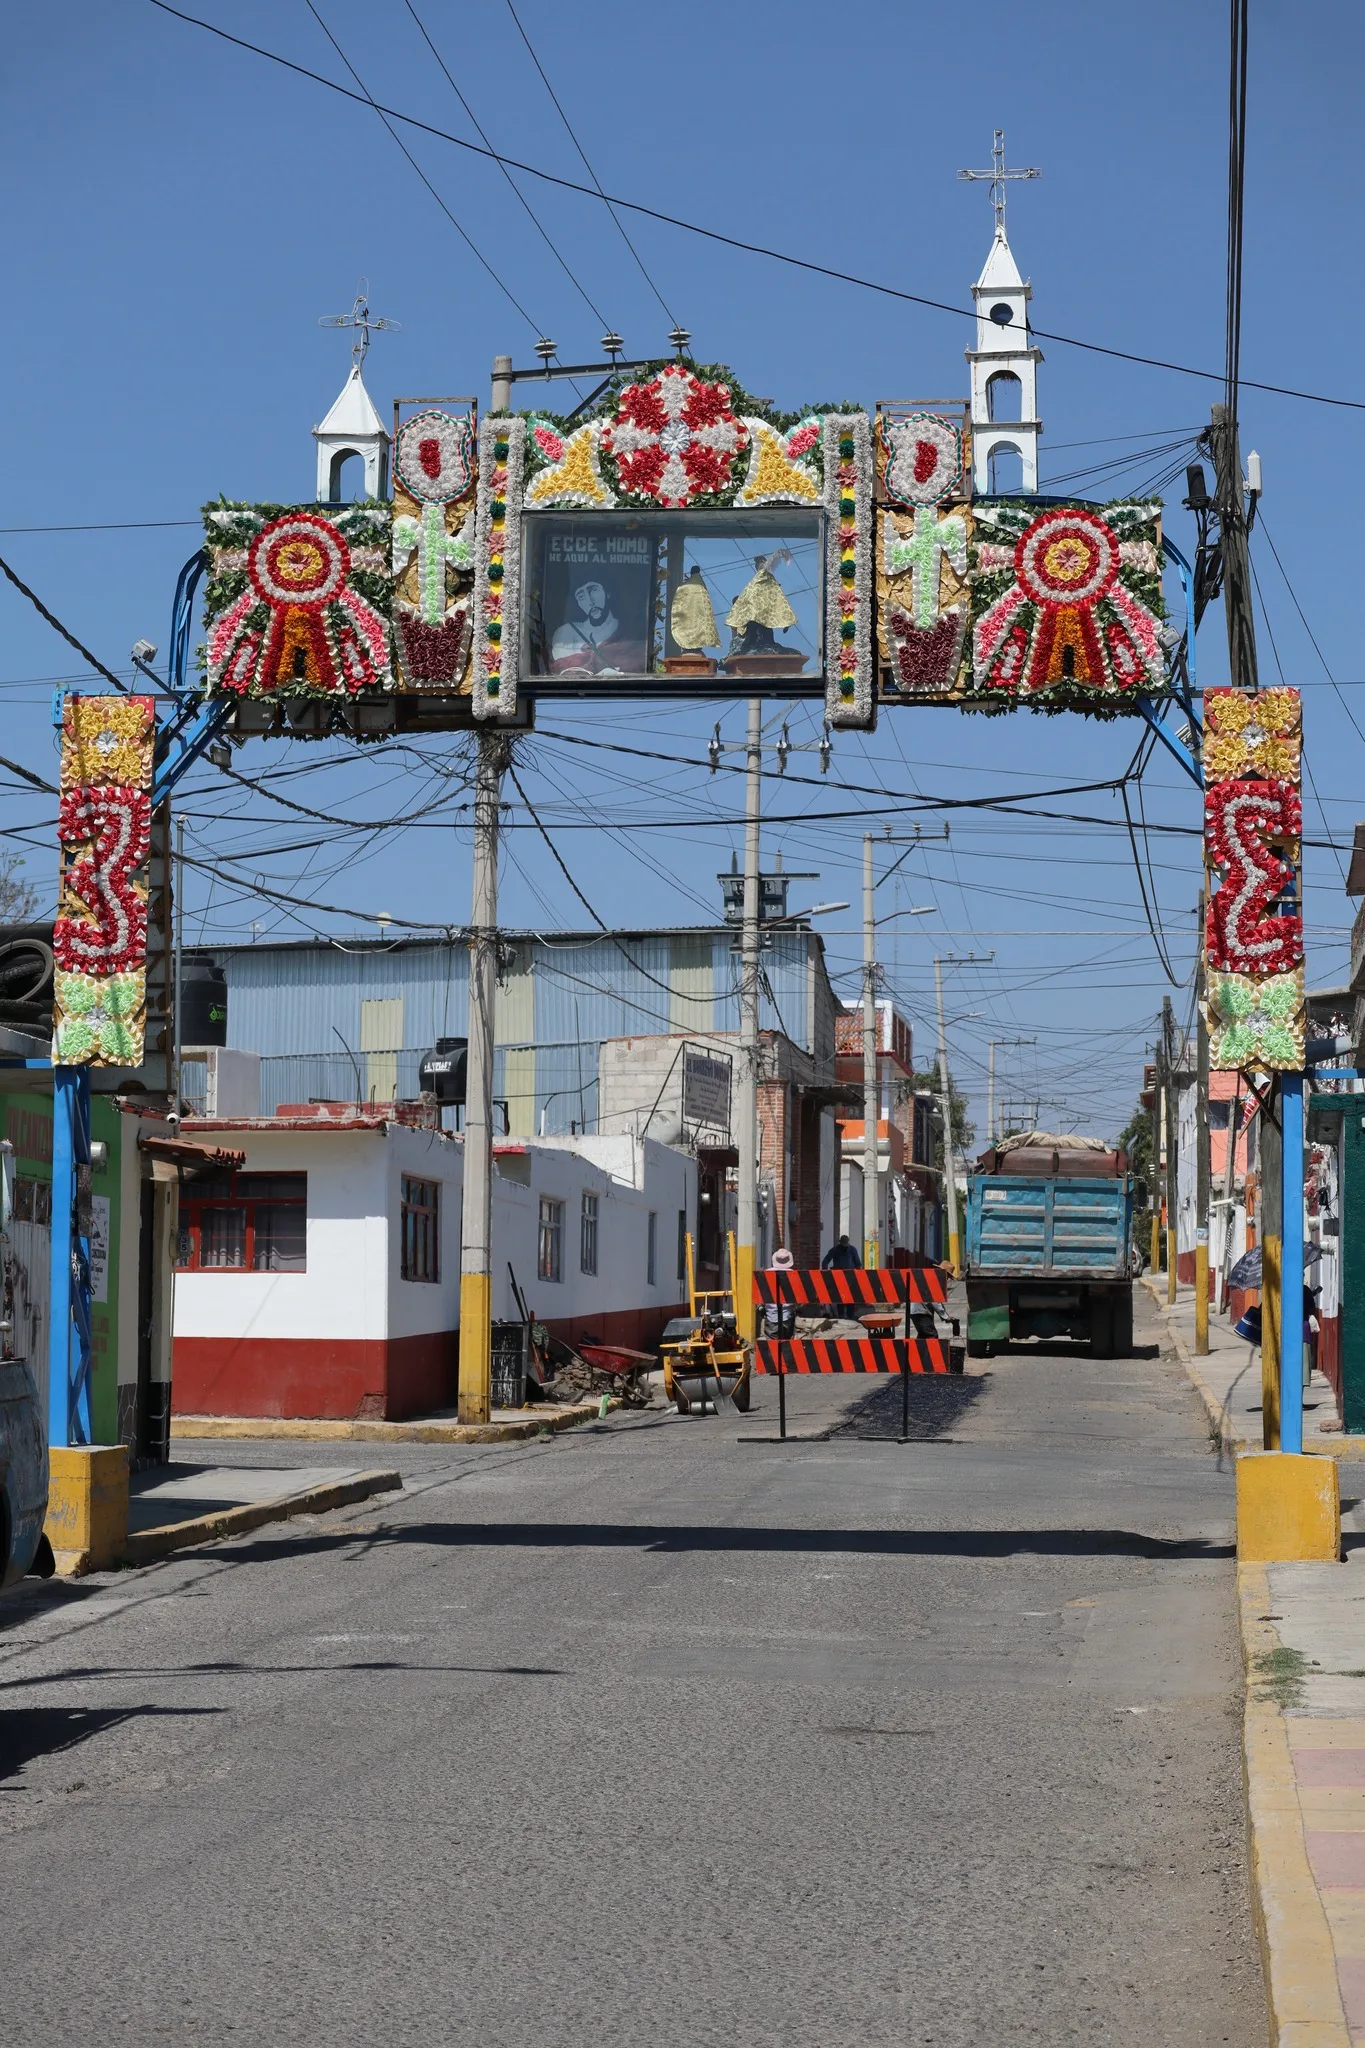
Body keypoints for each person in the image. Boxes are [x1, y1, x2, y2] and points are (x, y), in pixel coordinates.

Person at [762, 1246, 797, 1338]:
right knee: (787, 1344)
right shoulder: (793, 1274)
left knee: (772, 1345)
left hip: (771, 1315)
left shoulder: (766, 1273)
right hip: (788, 1315)